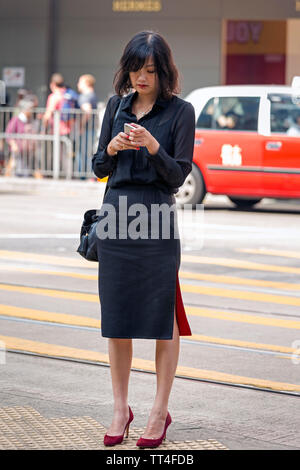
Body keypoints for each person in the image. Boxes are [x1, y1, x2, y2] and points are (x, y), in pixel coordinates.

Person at [92, 30, 195, 448]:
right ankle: (120, 408)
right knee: (117, 319)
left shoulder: (181, 112)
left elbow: (178, 175)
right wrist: (113, 149)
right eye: (136, 69)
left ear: (164, 71)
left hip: (155, 217)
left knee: (162, 322)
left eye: (150, 70)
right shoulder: (116, 107)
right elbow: (97, 166)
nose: (141, 77)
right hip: (116, 216)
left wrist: (152, 145)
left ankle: (158, 410)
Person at [5, 98, 40, 177]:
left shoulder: (29, 120)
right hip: (19, 152)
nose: (32, 111)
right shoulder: (16, 120)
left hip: (28, 152)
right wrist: (13, 144)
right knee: (17, 170)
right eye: (30, 109)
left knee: (28, 172)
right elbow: (9, 133)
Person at [76, 74, 98, 176]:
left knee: (84, 153)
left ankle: (85, 175)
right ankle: (87, 174)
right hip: (90, 128)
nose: (78, 84)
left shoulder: (85, 96)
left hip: (86, 129)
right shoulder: (92, 95)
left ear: (87, 83)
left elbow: (87, 111)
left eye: (80, 82)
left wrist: (81, 126)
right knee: (87, 152)